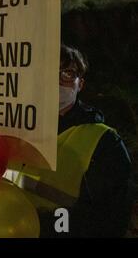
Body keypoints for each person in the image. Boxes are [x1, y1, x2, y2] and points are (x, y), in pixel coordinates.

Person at [17, 44, 135, 237]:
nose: (56, 80)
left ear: (80, 84)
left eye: (67, 73)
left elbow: (109, 220)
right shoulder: (14, 127)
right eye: (48, 72)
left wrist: (38, 224)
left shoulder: (105, 142)